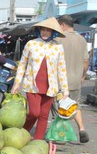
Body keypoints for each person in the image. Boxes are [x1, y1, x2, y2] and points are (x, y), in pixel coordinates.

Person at [11, 17, 69, 140]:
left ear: (53, 32)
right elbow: (22, 64)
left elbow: (61, 69)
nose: (45, 32)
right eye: (43, 29)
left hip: (50, 87)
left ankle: (38, 142)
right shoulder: (31, 44)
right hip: (32, 85)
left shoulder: (58, 47)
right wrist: (17, 83)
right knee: (34, 113)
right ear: (39, 30)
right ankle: (22, 134)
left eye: (48, 30)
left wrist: (65, 90)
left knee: (43, 116)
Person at [57, 15, 89, 143]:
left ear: (63, 25)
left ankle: (62, 133)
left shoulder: (58, 39)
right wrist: (83, 76)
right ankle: (81, 129)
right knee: (75, 104)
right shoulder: (82, 40)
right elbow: (85, 61)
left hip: (61, 80)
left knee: (60, 105)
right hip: (76, 78)